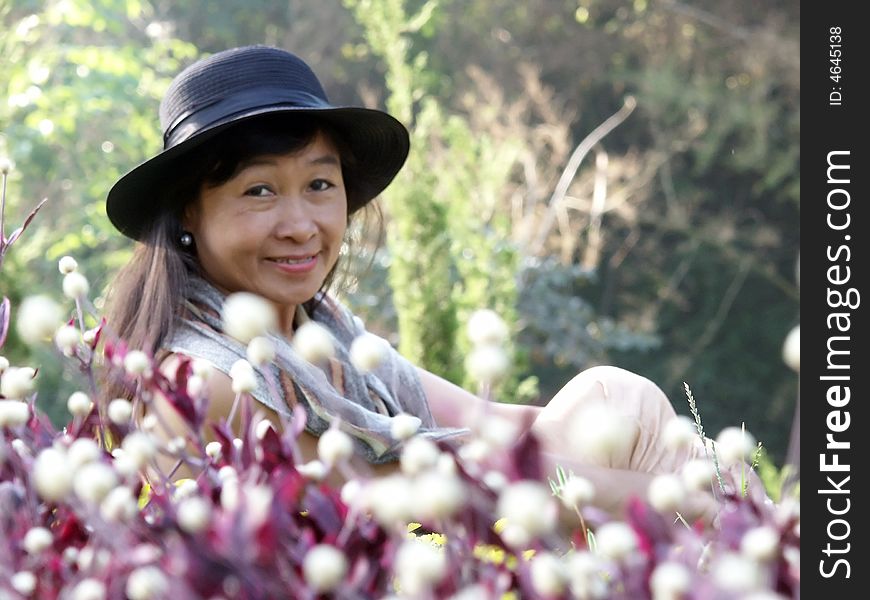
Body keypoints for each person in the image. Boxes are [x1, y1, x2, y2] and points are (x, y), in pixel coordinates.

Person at [103, 45, 706, 518]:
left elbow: (488, 425)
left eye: (319, 185)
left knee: (616, 398)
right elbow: (398, 495)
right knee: (687, 497)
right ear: (189, 211)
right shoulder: (203, 379)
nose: (300, 226)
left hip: (461, 521)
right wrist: (681, 502)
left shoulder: (330, 337)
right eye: (259, 190)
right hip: (408, 558)